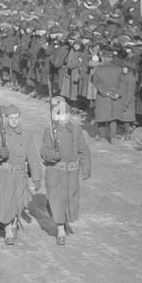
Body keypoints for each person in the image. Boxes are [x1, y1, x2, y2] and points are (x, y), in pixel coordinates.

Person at [0, 104, 42, 246]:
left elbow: (33, 156)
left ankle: (13, 220)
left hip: (20, 175)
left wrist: (36, 176)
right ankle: (8, 230)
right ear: (6, 118)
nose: (14, 121)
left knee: (18, 203)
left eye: (16, 118)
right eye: (11, 118)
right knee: (6, 203)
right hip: (4, 174)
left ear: (20, 118)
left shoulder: (26, 134)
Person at [40, 95, 92, 245]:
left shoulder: (76, 131)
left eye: (67, 114)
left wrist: (86, 167)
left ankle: (64, 220)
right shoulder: (50, 131)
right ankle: (60, 230)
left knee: (70, 200)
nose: (64, 117)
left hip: (71, 174)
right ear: (55, 115)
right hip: (56, 172)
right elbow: (43, 150)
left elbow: (83, 150)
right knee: (57, 199)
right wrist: (52, 154)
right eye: (61, 114)